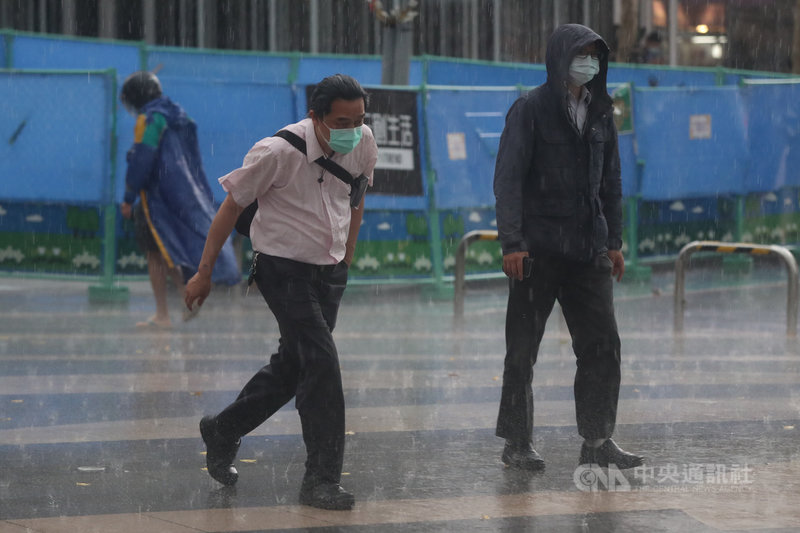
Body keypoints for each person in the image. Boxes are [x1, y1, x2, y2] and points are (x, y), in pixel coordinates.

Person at [184, 74, 378, 510]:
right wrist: (204, 273)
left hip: (329, 272)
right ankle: (321, 480)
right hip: (282, 271)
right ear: (316, 117)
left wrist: (346, 258)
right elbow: (231, 206)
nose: (352, 128)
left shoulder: (363, 141)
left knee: (294, 367)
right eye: (341, 121)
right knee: (322, 365)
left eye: (359, 118)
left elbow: (357, 196)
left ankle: (223, 429)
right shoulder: (276, 152)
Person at [492, 24, 644, 472]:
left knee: (602, 346)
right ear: (560, 57)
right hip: (537, 253)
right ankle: (517, 441)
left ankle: (597, 440)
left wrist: (613, 241)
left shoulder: (601, 111)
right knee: (522, 351)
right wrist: (513, 242)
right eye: (582, 54)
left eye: (596, 55)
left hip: (588, 252)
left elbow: (610, 181)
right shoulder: (530, 109)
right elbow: (509, 180)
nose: (590, 63)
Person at [119, 71, 240, 328]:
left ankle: (162, 314)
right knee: (169, 247)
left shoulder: (150, 119)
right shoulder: (180, 116)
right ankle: (188, 297)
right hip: (185, 192)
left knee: (155, 253)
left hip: (156, 197)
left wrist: (129, 196)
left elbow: (143, 158)